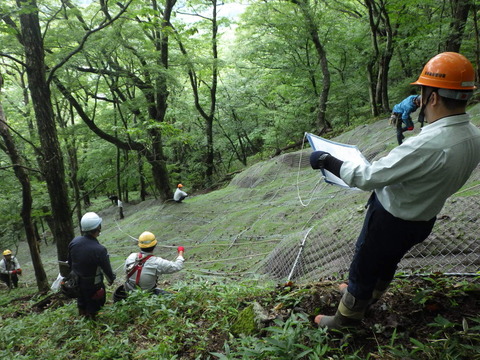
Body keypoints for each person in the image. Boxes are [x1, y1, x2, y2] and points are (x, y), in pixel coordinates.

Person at [309, 52, 480, 330]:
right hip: (424, 218)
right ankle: (371, 297)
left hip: (390, 218)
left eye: (423, 93)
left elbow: (368, 177)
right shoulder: (474, 135)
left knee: (364, 265)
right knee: (389, 260)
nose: (420, 100)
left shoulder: (428, 144)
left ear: (433, 97)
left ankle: (346, 319)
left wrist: (326, 160)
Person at [68, 212, 116, 320]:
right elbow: (107, 270)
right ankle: (94, 323)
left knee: (82, 304)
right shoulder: (100, 249)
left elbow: (70, 263)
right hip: (94, 285)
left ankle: (83, 319)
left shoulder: (74, 242)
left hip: (77, 283)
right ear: (98, 227)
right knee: (94, 307)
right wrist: (111, 279)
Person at [124, 231, 185, 296]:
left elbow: (125, 270)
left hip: (129, 291)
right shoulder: (157, 262)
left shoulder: (131, 256)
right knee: (173, 296)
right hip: (148, 294)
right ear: (155, 245)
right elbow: (178, 266)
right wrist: (180, 252)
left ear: (140, 245)